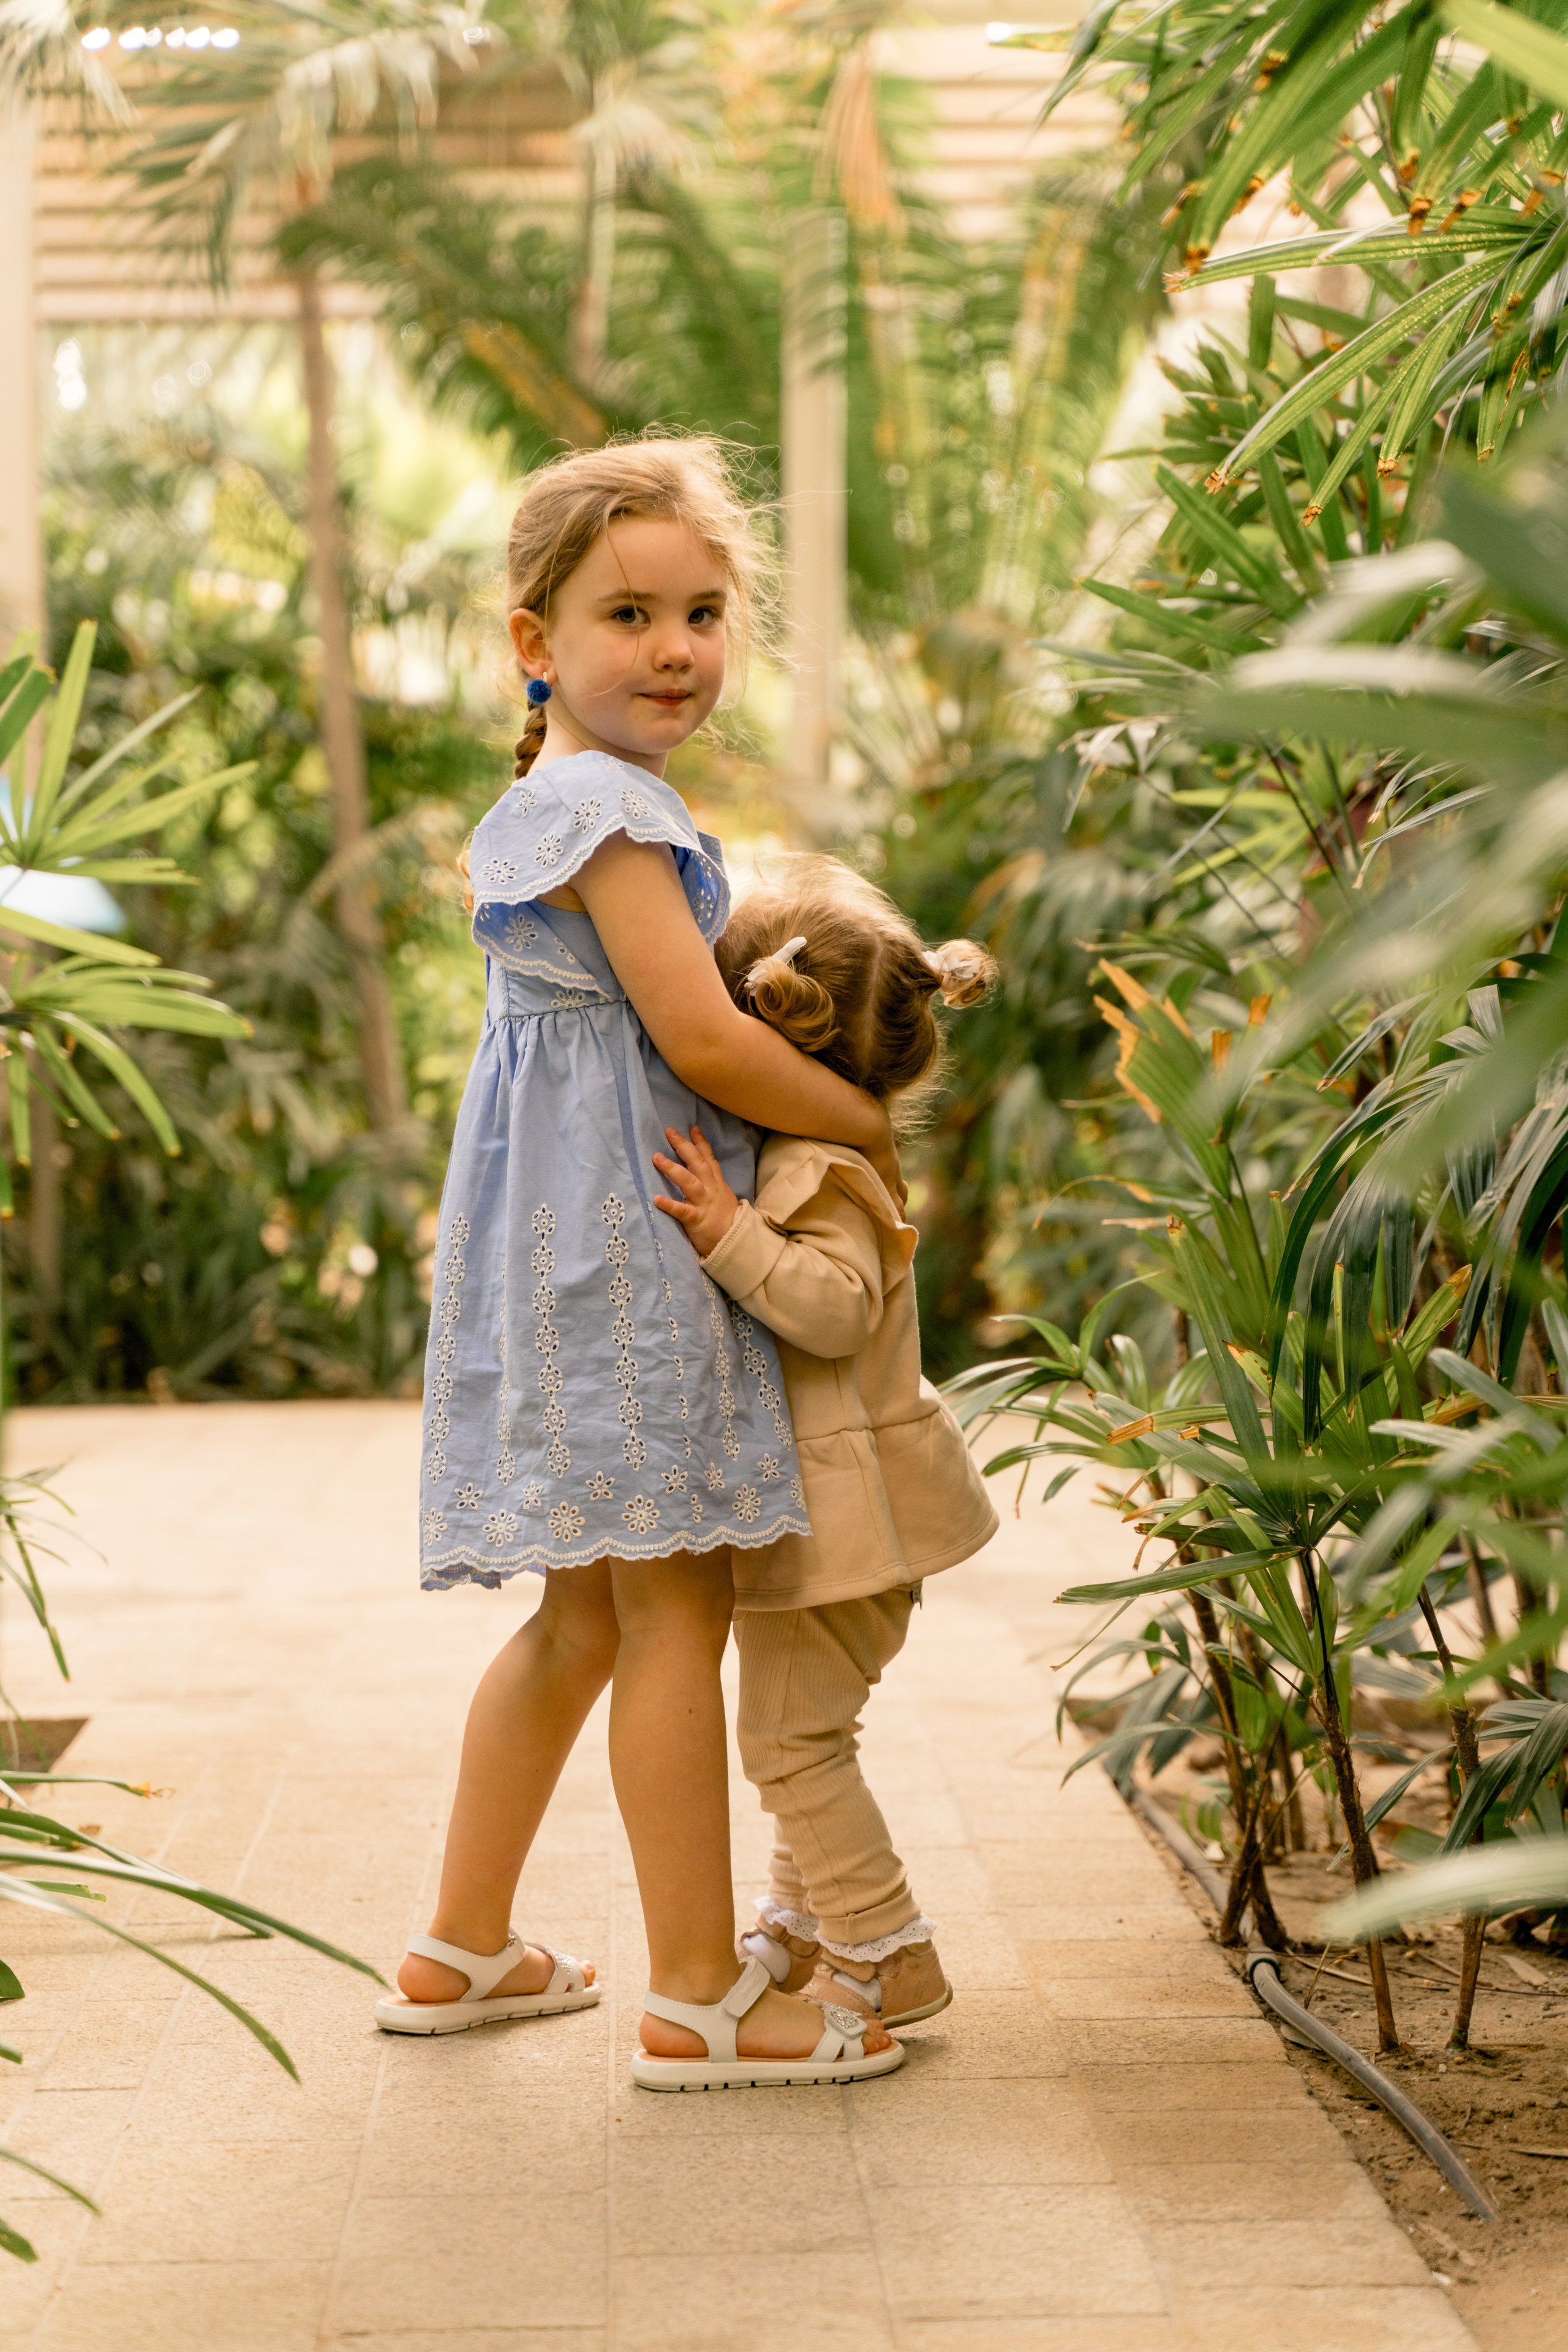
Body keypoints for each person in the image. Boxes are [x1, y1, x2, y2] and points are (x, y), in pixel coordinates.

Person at [374, 439, 903, 2089]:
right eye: (627, 613)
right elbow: (702, 1038)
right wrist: (867, 1129)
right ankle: (699, 1995)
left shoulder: (558, 801)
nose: (675, 647)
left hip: (567, 1247)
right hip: (628, 1250)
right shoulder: (603, 810)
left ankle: (462, 1949)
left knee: (579, 1619)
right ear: (532, 640)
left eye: (702, 610)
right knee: (676, 1613)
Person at [650, 855, 1000, 2034]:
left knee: (788, 1742)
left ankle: (885, 1945)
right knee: (808, 1729)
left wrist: (729, 1235)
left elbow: (837, 1308)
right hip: (852, 1516)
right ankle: (804, 1928)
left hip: (856, 1525)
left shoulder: (816, 1168)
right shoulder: (822, 1151)